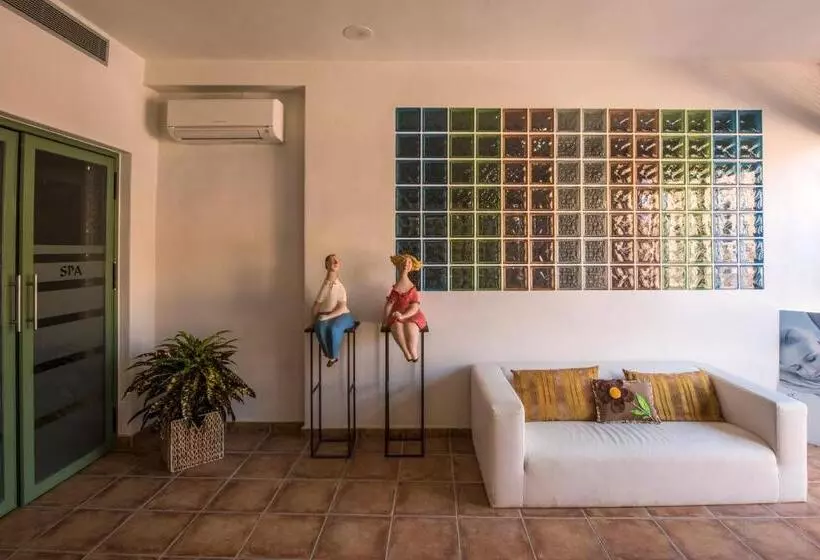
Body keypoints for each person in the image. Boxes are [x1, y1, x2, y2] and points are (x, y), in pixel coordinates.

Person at [312, 254, 356, 367]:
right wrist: (314, 320)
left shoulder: (340, 287)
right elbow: (317, 304)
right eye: (332, 260)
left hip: (342, 314)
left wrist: (326, 317)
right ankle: (330, 355)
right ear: (326, 265)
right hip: (328, 314)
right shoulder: (325, 285)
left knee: (333, 328)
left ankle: (332, 356)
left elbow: (341, 308)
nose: (335, 262)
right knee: (319, 327)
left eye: (337, 260)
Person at [383, 254, 427, 362]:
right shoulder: (395, 289)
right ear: (399, 265)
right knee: (396, 326)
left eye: (409, 262)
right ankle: (406, 351)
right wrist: (385, 319)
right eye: (404, 262)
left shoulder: (412, 288)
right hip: (397, 313)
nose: (406, 264)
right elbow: (389, 305)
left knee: (410, 328)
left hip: (411, 315)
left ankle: (413, 351)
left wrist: (403, 316)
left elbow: (415, 307)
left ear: (412, 266)